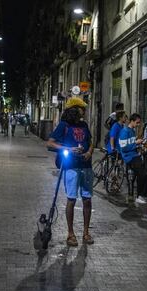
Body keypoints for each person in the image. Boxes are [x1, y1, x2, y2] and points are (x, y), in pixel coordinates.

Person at [47, 97, 94, 247]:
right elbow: (50, 143)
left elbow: (91, 142)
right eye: (82, 108)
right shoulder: (64, 125)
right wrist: (68, 149)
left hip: (86, 166)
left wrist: (89, 152)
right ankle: (70, 233)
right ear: (74, 109)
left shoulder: (84, 125)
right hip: (71, 167)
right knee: (72, 200)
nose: (84, 111)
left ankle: (86, 232)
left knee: (87, 200)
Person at [119, 113, 147, 204]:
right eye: (137, 123)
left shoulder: (132, 131)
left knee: (140, 174)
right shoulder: (125, 131)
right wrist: (136, 143)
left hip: (134, 155)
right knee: (142, 174)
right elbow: (123, 147)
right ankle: (140, 195)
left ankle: (138, 194)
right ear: (132, 121)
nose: (138, 125)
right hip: (129, 157)